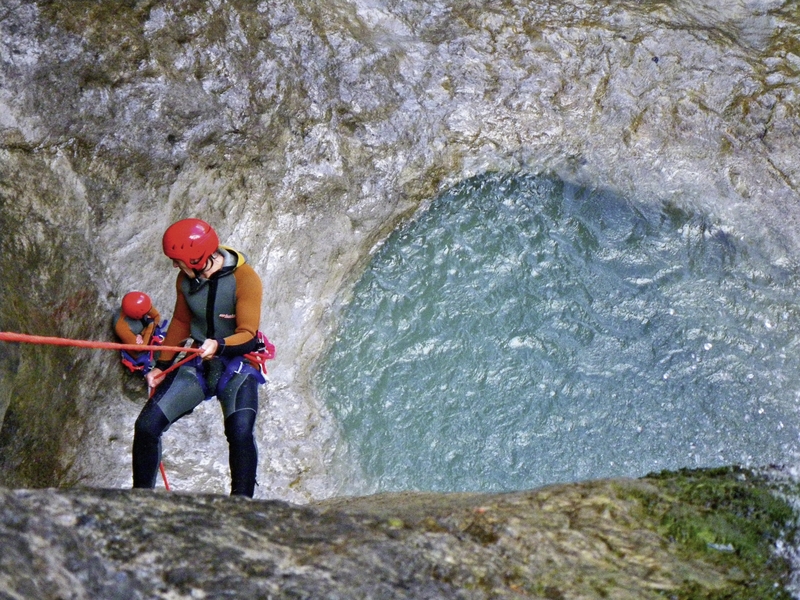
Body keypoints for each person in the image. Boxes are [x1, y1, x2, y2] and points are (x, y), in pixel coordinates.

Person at [133, 218, 269, 497]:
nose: (174, 266)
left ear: (196, 258)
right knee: (146, 426)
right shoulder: (186, 279)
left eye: (177, 260)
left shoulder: (245, 279)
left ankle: (241, 504)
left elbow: (248, 334)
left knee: (240, 431)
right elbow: (182, 322)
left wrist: (218, 344)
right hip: (198, 360)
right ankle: (139, 499)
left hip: (237, 362)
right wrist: (161, 365)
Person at [114, 291, 166, 375]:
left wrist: (142, 334)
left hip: (146, 338)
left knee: (165, 354)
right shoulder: (121, 326)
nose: (150, 310)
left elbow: (156, 316)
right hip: (139, 352)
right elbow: (140, 347)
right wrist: (150, 326)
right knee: (152, 368)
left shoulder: (142, 305)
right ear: (137, 315)